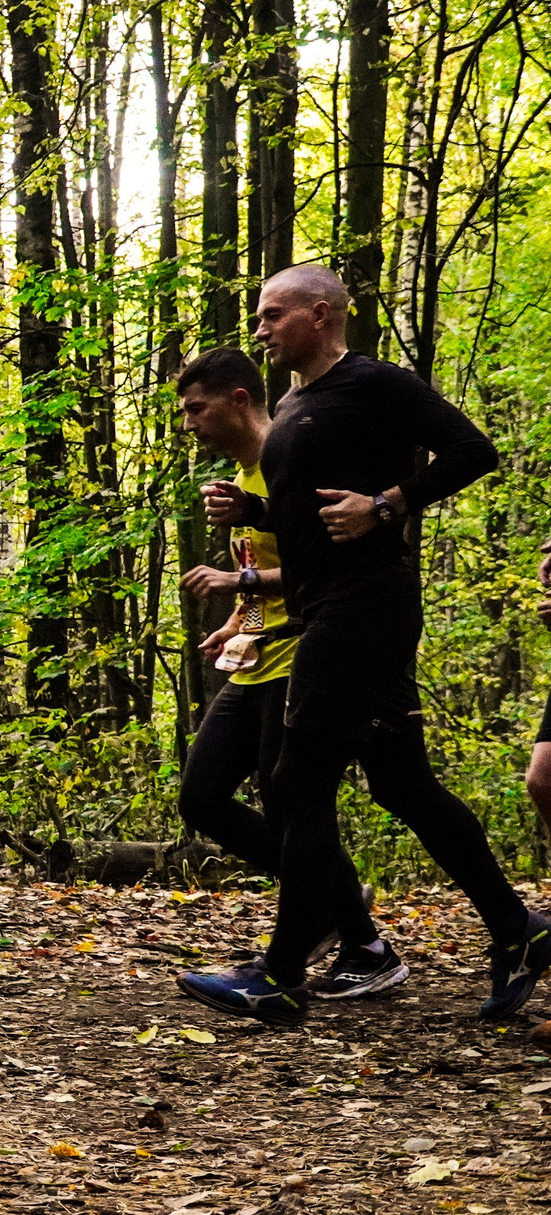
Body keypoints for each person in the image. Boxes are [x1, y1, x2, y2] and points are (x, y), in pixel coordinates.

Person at [179, 266, 547, 1027]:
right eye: (258, 317)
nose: (260, 329)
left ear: (322, 314)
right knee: (402, 784)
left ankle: (280, 975)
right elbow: (308, 516)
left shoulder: (374, 382)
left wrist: (389, 502)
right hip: (329, 608)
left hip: (363, 606)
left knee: (297, 782)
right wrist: (251, 507)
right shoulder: (293, 404)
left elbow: (472, 450)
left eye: (273, 315)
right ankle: (519, 931)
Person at [172, 347, 397, 997]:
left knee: (291, 805)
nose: (189, 423)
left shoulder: (289, 459)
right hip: (256, 657)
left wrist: (236, 578)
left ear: (239, 398)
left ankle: (350, 943)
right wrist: (237, 616)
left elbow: (326, 560)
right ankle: (333, 902)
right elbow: (271, 577)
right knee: (203, 795)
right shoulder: (246, 472)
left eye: (196, 408)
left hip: (303, 658)